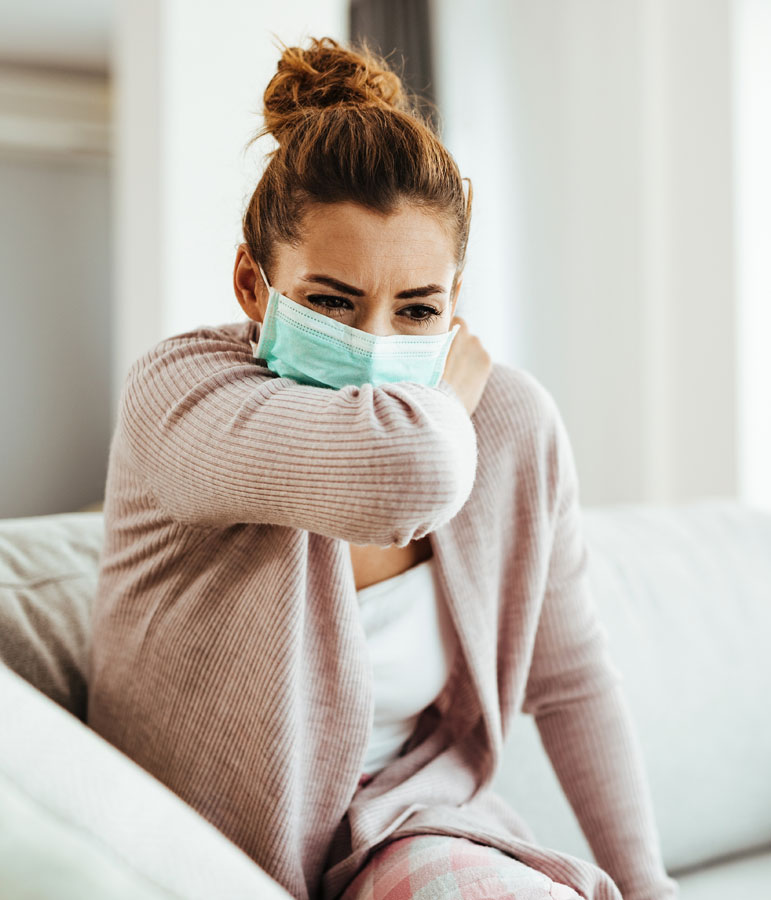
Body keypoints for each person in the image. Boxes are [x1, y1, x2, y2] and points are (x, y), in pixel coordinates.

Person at [86, 35, 679, 900]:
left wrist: (650, 886)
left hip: (407, 825)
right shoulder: (181, 395)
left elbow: (571, 678)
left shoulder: (506, 423)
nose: (374, 345)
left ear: (455, 303)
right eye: (330, 301)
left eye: (416, 309)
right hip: (203, 862)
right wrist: (444, 402)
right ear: (253, 285)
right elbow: (405, 480)